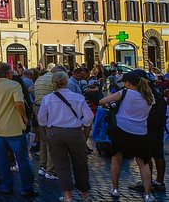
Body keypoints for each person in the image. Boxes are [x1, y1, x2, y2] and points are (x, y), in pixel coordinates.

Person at [0, 63, 37, 197]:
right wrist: (24, 117)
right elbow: (19, 103)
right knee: (22, 160)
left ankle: (6, 186)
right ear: (8, 73)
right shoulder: (14, 85)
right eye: (11, 72)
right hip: (14, 129)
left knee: (2, 160)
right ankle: (27, 188)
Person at [37, 71, 94, 202]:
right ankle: (85, 194)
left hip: (55, 133)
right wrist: (83, 125)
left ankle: (68, 196)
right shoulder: (78, 97)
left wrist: (47, 128)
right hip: (74, 132)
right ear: (66, 82)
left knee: (61, 165)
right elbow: (89, 116)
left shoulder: (48, 98)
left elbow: (41, 118)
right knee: (80, 164)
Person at [100, 70, 155, 201]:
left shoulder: (124, 93)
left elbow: (102, 101)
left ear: (129, 83)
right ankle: (148, 194)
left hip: (122, 130)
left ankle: (115, 189)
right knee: (143, 163)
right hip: (141, 132)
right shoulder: (149, 96)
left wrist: (110, 105)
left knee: (116, 159)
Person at [34, 65, 64, 180]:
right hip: (49, 109)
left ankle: (42, 166)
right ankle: (50, 170)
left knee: (43, 139)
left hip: (37, 109)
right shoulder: (55, 80)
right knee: (52, 140)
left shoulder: (40, 78)